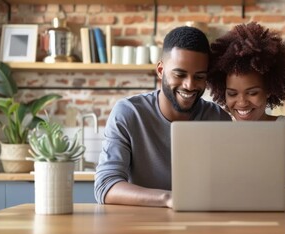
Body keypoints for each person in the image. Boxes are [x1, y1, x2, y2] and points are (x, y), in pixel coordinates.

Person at [95, 26, 231, 208]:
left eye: (199, 77)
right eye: (180, 74)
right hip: (140, 226)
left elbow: (229, 185)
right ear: (160, 70)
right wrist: (169, 199)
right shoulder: (129, 113)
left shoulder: (218, 119)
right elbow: (105, 186)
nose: (190, 85)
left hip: (200, 224)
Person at [207, 22, 285, 204]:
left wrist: (250, 195)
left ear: (268, 90)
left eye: (252, 93)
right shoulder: (218, 131)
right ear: (223, 92)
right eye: (232, 94)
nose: (242, 102)